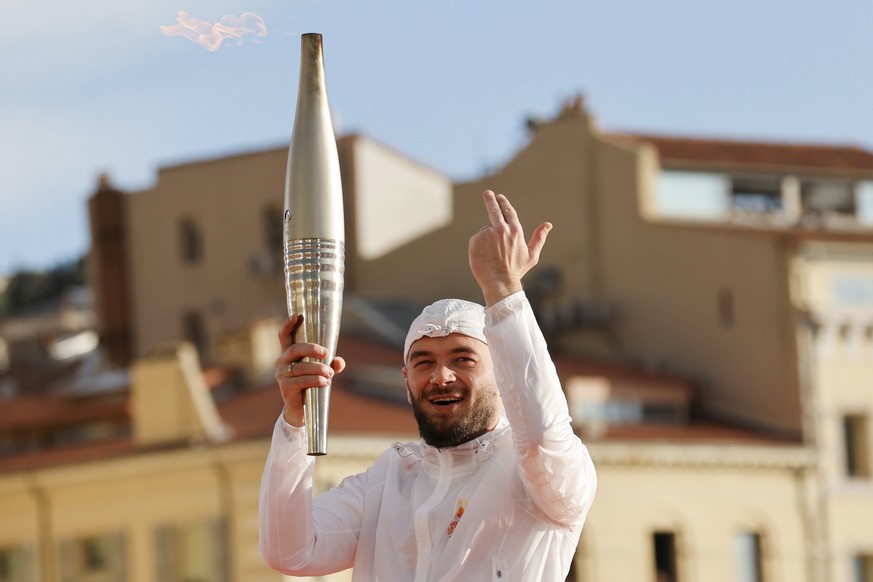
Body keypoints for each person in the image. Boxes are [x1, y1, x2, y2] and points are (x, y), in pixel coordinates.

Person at [259, 190, 597, 581]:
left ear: (502, 373)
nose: (441, 377)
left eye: (462, 359)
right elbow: (291, 553)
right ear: (407, 382)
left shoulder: (543, 477)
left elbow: (541, 438)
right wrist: (295, 422)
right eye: (424, 363)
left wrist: (503, 291)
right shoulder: (388, 482)